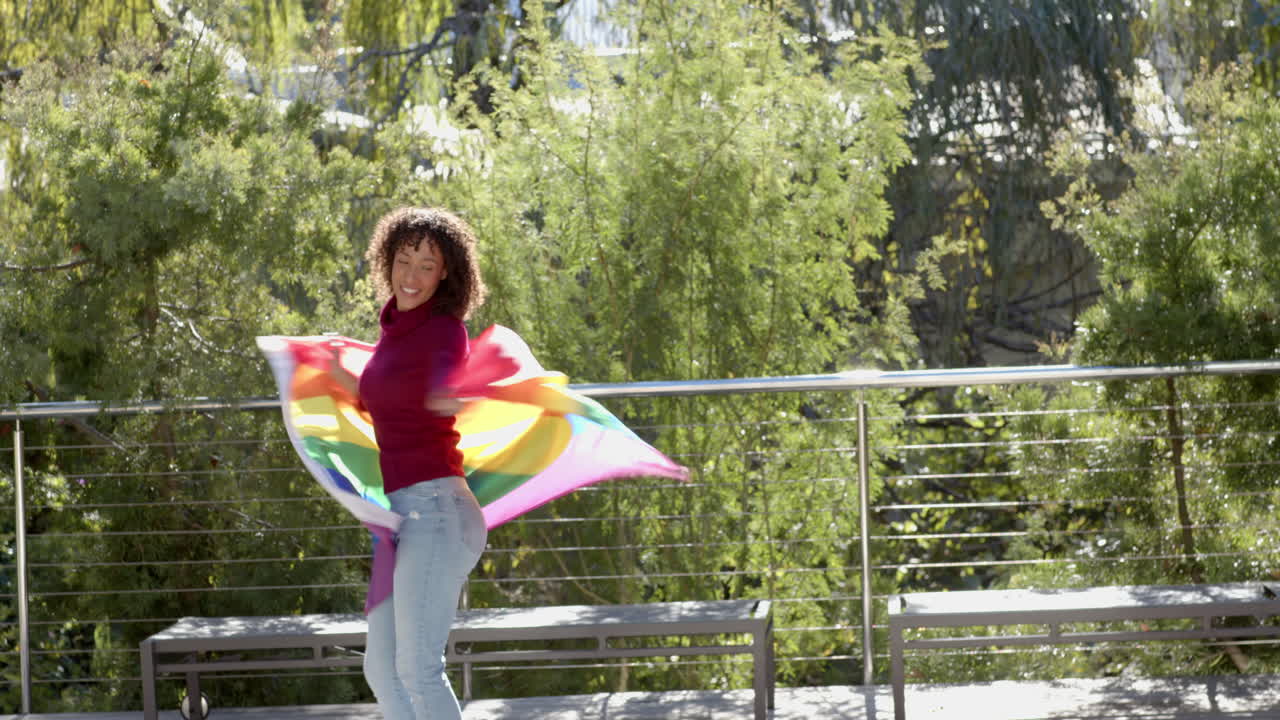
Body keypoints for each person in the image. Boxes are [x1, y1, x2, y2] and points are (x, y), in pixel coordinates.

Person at [327, 206, 489, 720]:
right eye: (404, 260)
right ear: (387, 262)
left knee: (418, 667)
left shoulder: (444, 330)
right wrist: (335, 374)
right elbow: (387, 399)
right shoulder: (393, 333)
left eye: (427, 264)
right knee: (382, 669)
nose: (412, 275)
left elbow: (447, 371)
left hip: (438, 510)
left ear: (446, 272)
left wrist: (447, 392)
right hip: (400, 517)